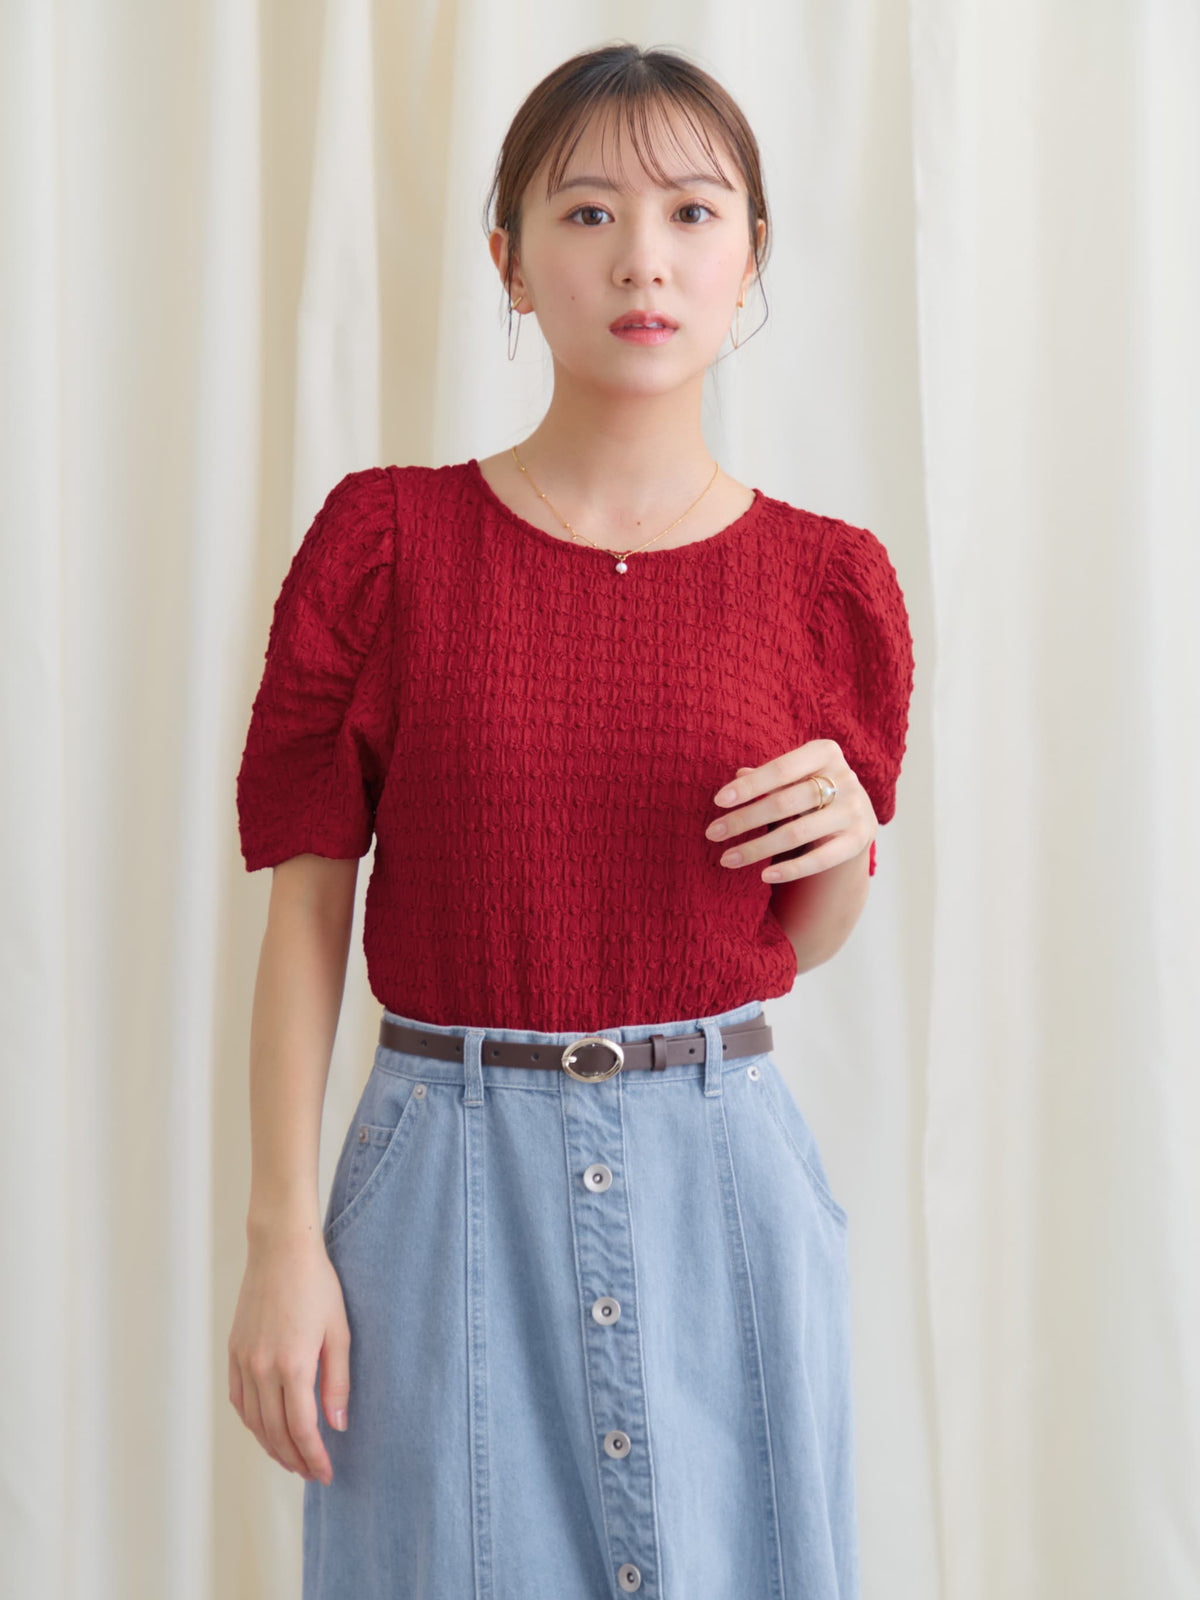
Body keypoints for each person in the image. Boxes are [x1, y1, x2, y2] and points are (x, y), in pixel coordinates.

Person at [227, 40, 914, 1600]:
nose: (642, 260)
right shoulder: (387, 545)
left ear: (750, 257)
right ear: (511, 261)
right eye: (589, 213)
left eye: (691, 213)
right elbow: (306, 910)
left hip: (720, 1171)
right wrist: (280, 1238)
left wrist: (841, 847)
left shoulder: (826, 583)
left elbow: (792, 940)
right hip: (441, 1176)